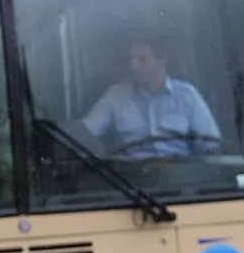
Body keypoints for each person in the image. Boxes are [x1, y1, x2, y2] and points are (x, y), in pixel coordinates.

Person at [82, 36, 222, 160]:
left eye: (142, 59)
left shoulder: (187, 95)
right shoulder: (116, 95)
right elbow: (84, 135)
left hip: (180, 179)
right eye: (131, 58)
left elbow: (210, 147)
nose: (133, 65)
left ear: (163, 60)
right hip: (131, 180)